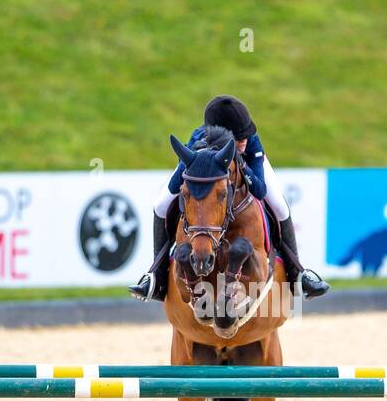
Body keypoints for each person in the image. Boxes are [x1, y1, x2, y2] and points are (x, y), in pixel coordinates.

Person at [129, 95, 330, 302]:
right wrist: (193, 165)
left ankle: (297, 274)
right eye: (238, 137)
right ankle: (157, 275)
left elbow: (259, 190)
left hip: (249, 167)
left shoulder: (250, 143)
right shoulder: (199, 139)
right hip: (207, 164)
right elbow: (174, 186)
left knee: (279, 206)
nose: (243, 140)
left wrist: (242, 165)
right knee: (160, 204)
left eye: (245, 135)